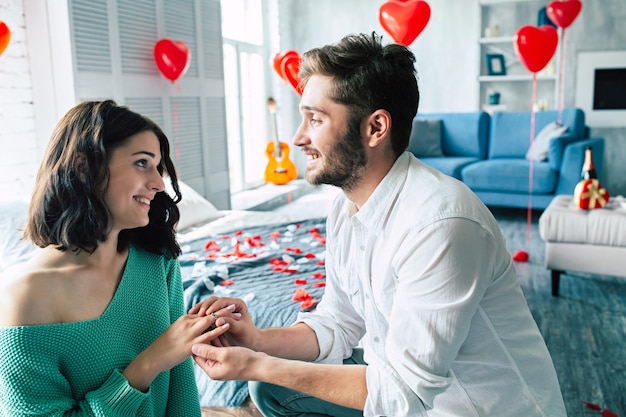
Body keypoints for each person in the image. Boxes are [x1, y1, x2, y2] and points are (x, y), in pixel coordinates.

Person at [190, 32, 567, 416]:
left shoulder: (442, 224)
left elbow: (402, 393)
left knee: (268, 376)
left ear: (375, 128)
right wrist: (255, 341)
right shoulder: (345, 208)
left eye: (315, 119)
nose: (298, 138)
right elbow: (338, 322)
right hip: (408, 390)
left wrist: (257, 363)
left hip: (474, 407)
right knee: (271, 389)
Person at [0, 100, 235, 416]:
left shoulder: (157, 260)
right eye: (142, 163)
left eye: (158, 167)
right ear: (85, 167)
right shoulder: (25, 298)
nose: (158, 183)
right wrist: (150, 363)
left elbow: (181, 392)